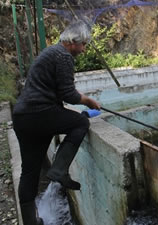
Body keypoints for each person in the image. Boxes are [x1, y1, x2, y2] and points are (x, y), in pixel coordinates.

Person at [12, 20, 100, 225]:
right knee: (80, 123)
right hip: (40, 115)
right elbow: (68, 94)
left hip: (23, 117)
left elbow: (59, 91)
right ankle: (59, 169)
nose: (84, 49)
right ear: (72, 41)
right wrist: (87, 101)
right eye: (83, 44)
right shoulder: (63, 56)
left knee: (30, 171)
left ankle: (30, 221)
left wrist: (81, 100)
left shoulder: (50, 52)